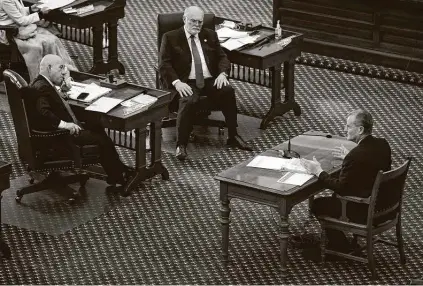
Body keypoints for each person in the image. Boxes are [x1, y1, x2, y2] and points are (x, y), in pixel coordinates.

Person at [158, 5, 252, 161]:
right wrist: (176, 83)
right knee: (188, 100)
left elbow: (223, 57)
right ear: (184, 20)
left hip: (209, 80)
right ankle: (181, 145)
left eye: (200, 22)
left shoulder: (210, 35)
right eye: (193, 21)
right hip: (186, 81)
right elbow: (164, 64)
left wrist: (222, 73)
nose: (197, 25)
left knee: (228, 91)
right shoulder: (170, 37)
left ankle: (233, 136)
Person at [27, 54, 128, 189]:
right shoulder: (43, 87)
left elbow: (51, 103)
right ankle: (118, 176)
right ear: (49, 68)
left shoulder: (41, 83)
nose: (64, 71)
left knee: (97, 126)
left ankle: (118, 170)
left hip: (58, 132)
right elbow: (44, 112)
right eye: (61, 68)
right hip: (59, 137)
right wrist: (66, 125)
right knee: (102, 140)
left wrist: (62, 91)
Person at [300, 109, 392, 251]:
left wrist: (318, 171)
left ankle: (340, 246)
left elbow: (341, 188)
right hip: (386, 205)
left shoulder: (356, 156)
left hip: (364, 210)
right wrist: (351, 156)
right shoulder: (382, 144)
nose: (344, 129)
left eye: (348, 126)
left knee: (318, 205)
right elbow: (372, 163)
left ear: (360, 129)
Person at [0, 0, 77, 81]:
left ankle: (58, 71)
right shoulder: (5, 0)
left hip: (20, 27)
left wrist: (30, 9)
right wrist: (40, 14)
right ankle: (41, 77)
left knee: (52, 39)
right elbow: (22, 20)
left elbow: (18, 11)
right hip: (10, 32)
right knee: (37, 46)